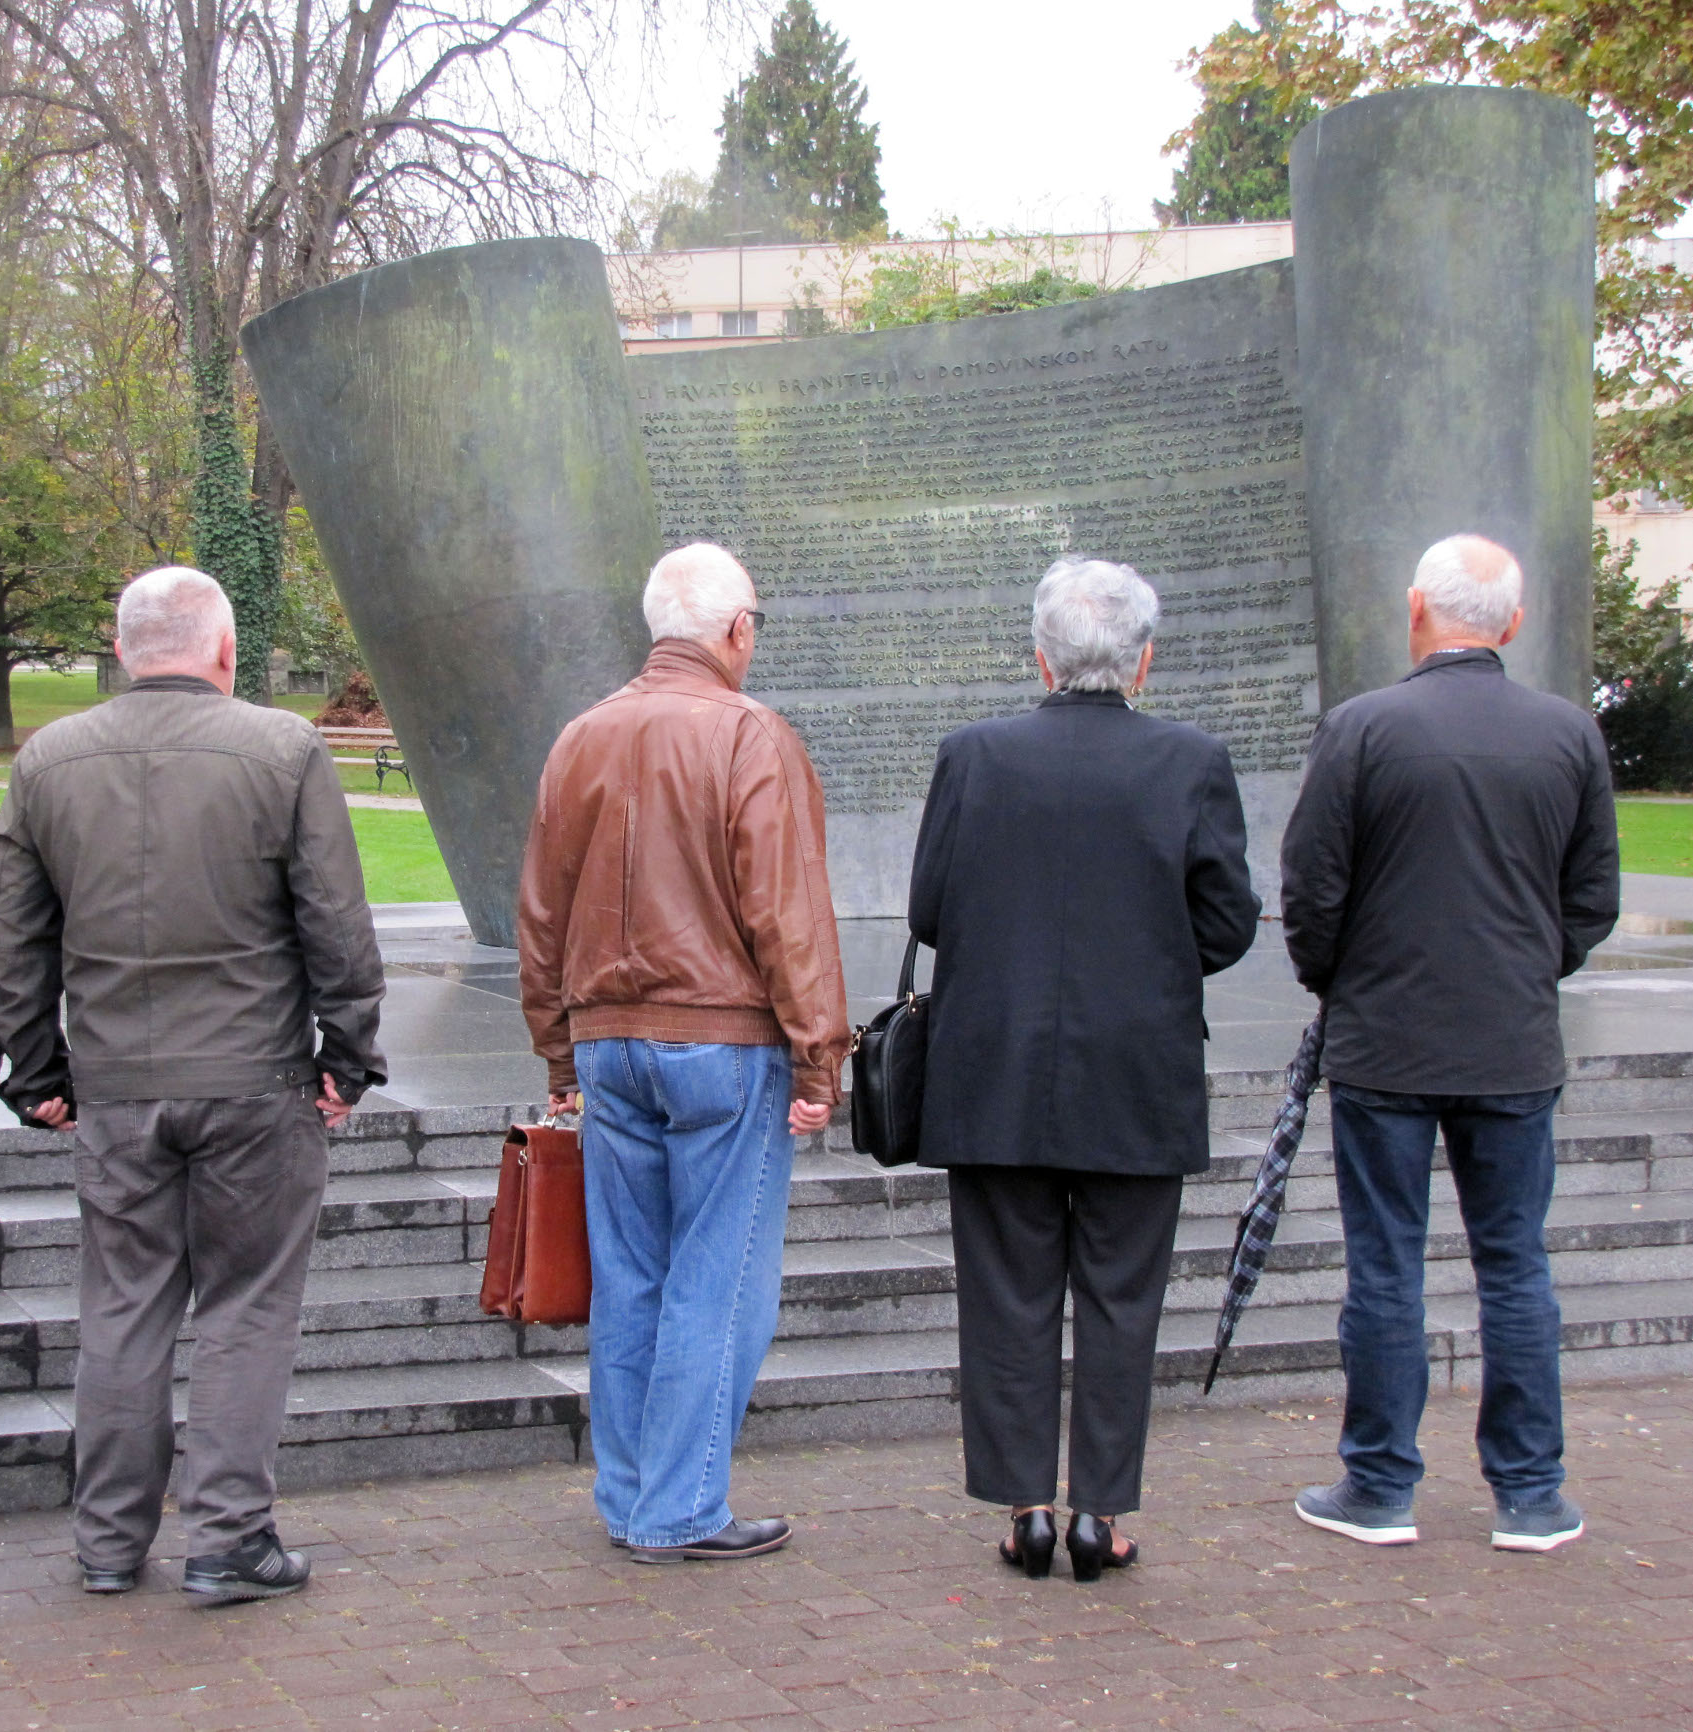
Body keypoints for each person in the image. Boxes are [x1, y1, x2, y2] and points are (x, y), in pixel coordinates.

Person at [0, 566, 386, 1605]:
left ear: (123, 650)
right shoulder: (282, 749)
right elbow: (335, 923)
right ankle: (227, 1535)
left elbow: (15, 940)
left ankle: (109, 1541)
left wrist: (35, 1072)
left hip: (118, 1082)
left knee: (123, 1308)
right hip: (255, 1077)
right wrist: (346, 1054)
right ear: (223, 649)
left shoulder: (45, 762)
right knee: (247, 1308)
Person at [908, 557, 1259, 1583]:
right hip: (1135, 1068)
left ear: (1039, 655)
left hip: (994, 1067)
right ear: (1141, 662)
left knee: (1007, 1293)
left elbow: (930, 910)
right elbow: (1227, 921)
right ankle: (1099, 1513)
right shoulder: (1190, 761)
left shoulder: (972, 756)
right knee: (1120, 1294)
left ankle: (1024, 1507)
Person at [1281, 533, 1619, 1555]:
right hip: (1511, 1044)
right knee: (1514, 1263)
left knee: (1383, 1264)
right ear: (1509, 623)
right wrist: (1523, 967)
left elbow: (1310, 888)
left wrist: (1339, 978)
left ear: (1414, 607)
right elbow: (1590, 898)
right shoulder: (1566, 734)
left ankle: (1379, 1484)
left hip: (1385, 1041)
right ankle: (1529, 1491)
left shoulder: (1360, 729)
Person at [517, 541, 850, 1566]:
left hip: (607, 1041)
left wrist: (557, 1051)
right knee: (719, 1275)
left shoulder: (580, 737)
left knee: (631, 1273)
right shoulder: (750, 735)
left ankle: (631, 1495)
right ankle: (678, 1504)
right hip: (721, 1042)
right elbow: (785, 913)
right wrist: (817, 1056)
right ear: (735, 630)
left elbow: (539, 911)